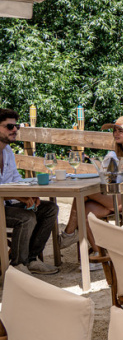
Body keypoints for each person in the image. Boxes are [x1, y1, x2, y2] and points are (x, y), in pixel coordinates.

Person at [59, 116, 123, 250]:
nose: (116, 134)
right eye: (114, 131)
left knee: (84, 192)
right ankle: (100, 255)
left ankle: (69, 234)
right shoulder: (122, 151)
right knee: (85, 211)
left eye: (120, 131)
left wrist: (106, 174)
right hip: (121, 193)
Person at [0, 108, 60, 275]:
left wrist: (28, 194)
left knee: (49, 209)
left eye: (16, 126)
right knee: (26, 218)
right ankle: (17, 266)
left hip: (7, 204)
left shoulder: (7, 151)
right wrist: (19, 196)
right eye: (9, 126)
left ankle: (32, 260)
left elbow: (14, 180)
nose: (14, 130)